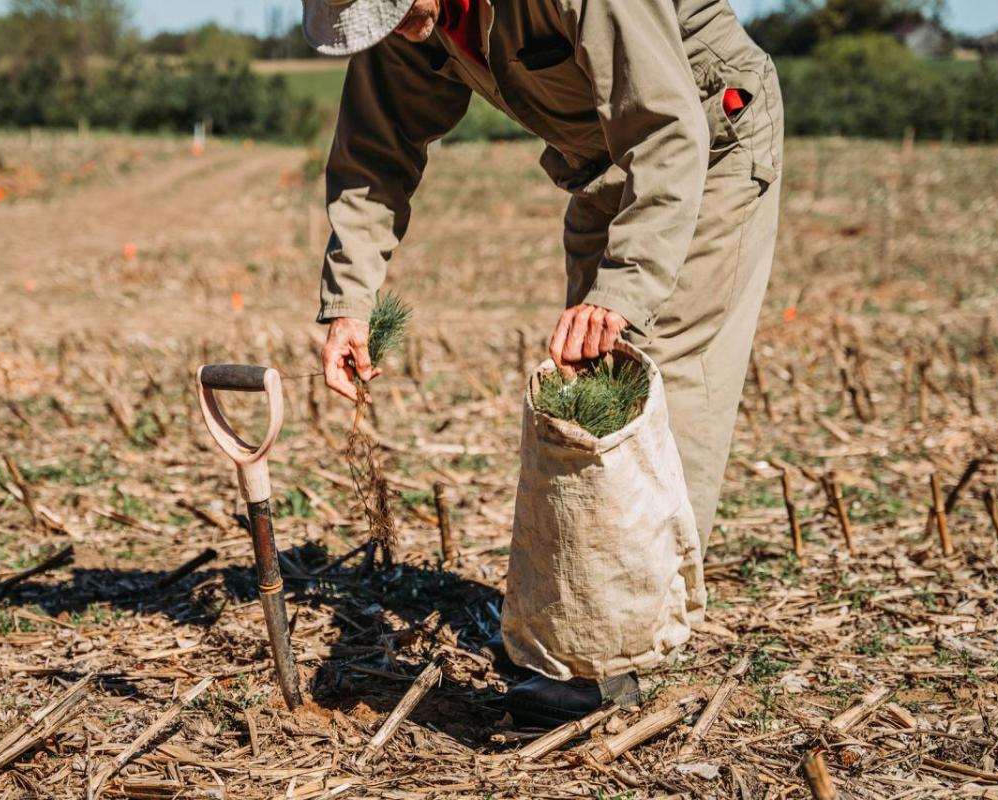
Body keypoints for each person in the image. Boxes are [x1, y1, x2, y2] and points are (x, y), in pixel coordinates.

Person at [304, 0, 782, 727]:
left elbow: (665, 126)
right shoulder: (412, 20)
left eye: (396, 9)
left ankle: (611, 659)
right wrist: (349, 302)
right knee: (583, 389)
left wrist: (622, 292)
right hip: (604, 166)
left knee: (641, 385)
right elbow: (376, 151)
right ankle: (582, 636)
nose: (397, 29)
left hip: (708, 140)